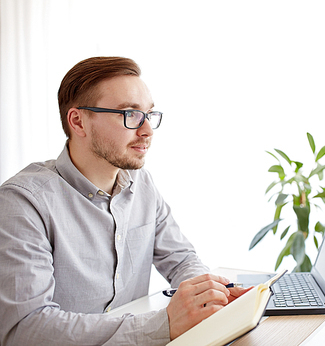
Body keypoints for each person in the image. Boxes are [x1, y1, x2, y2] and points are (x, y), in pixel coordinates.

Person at [0, 56, 250, 345]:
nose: (147, 131)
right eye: (130, 115)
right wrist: (164, 324)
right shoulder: (22, 203)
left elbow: (180, 258)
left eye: (149, 114)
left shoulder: (141, 183)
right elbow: (26, 329)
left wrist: (208, 295)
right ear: (78, 121)